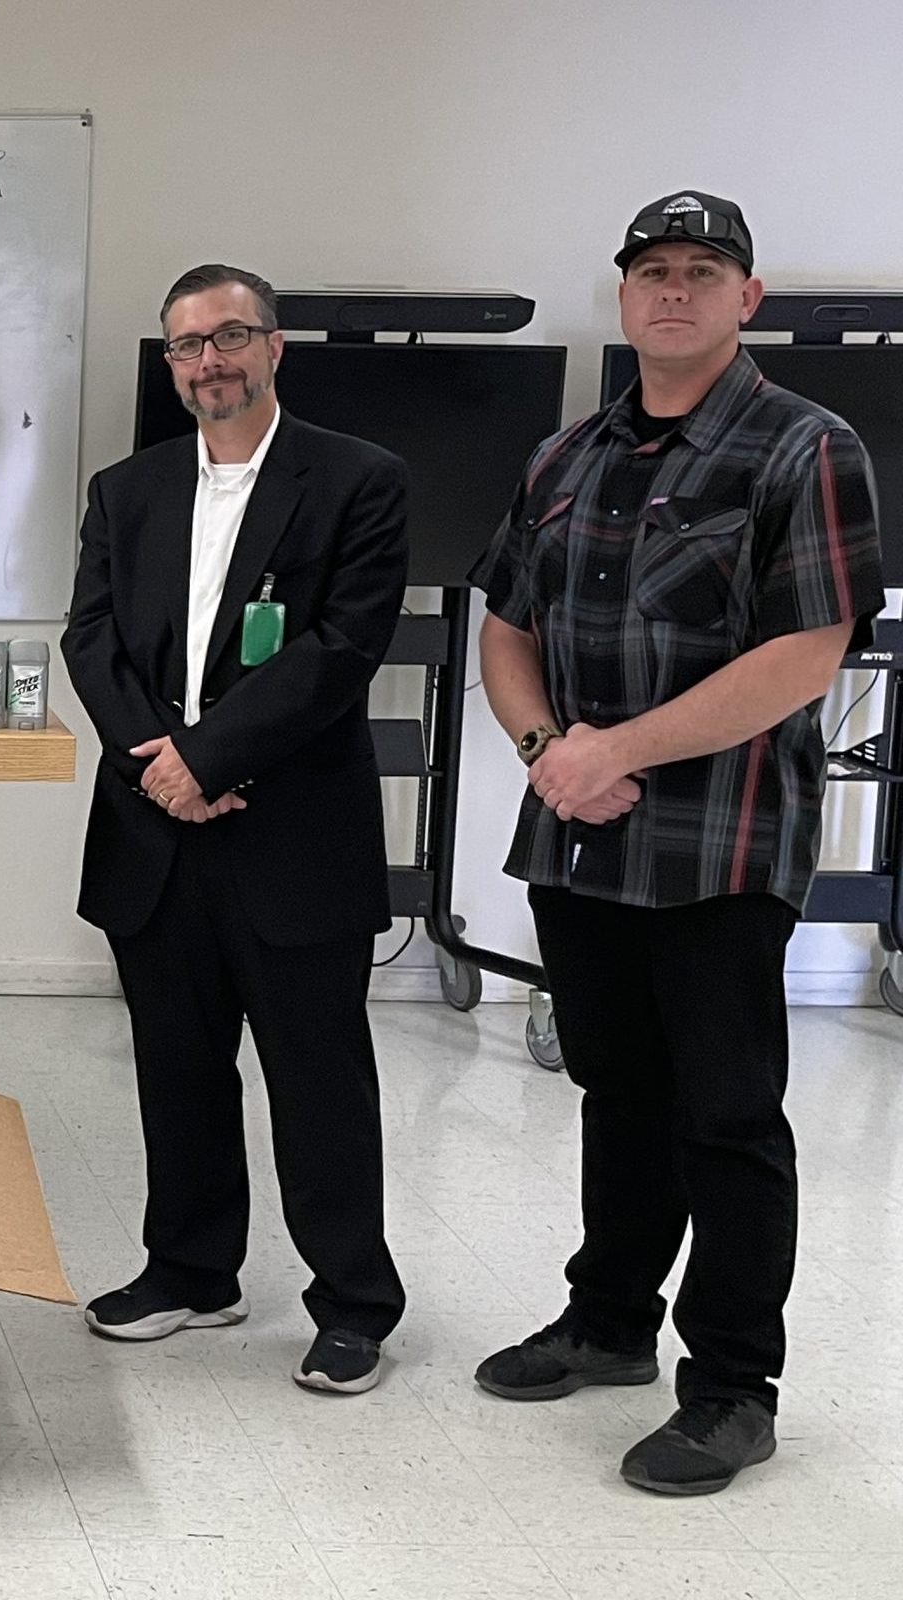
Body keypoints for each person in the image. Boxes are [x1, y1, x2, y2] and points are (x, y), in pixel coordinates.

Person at [467, 193, 883, 1495]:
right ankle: (608, 1325)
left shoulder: (805, 448)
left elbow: (810, 651)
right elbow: (506, 626)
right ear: (624, 294)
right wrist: (546, 755)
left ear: (747, 298)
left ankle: (732, 1387)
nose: (674, 292)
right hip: (580, 839)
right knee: (617, 1090)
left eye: (704, 272)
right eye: (653, 270)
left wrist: (617, 752)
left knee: (727, 1114)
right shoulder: (565, 455)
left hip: (723, 839)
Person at [62, 264, 410, 1394]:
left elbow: (342, 648)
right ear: (168, 367)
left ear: (272, 348)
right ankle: (191, 1270)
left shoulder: (359, 479)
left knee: (317, 1079)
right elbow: (92, 642)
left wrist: (208, 760)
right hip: (155, 832)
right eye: (185, 347)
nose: (207, 362)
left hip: (291, 833)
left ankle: (353, 1299)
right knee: (176, 1068)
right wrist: (162, 767)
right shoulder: (127, 489)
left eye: (228, 337)